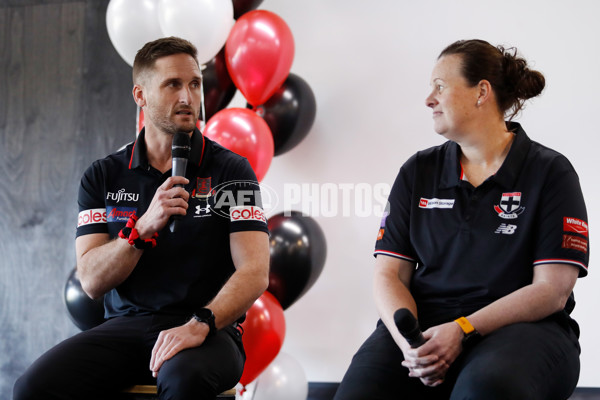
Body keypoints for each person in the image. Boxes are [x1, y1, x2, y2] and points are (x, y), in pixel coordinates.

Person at [13, 37, 270, 400]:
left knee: (183, 380)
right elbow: (90, 280)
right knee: (32, 389)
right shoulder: (102, 176)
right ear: (140, 95)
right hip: (126, 328)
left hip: (208, 331)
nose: (188, 97)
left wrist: (201, 323)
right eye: (173, 84)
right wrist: (143, 227)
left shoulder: (232, 169)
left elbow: (255, 271)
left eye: (194, 84)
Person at [334, 39, 589, 399]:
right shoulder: (418, 170)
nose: (429, 99)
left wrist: (463, 328)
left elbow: (552, 291)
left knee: (485, 388)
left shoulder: (549, 172)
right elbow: (388, 274)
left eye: (440, 86)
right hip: (427, 326)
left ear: (481, 92)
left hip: (525, 330)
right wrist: (408, 343)